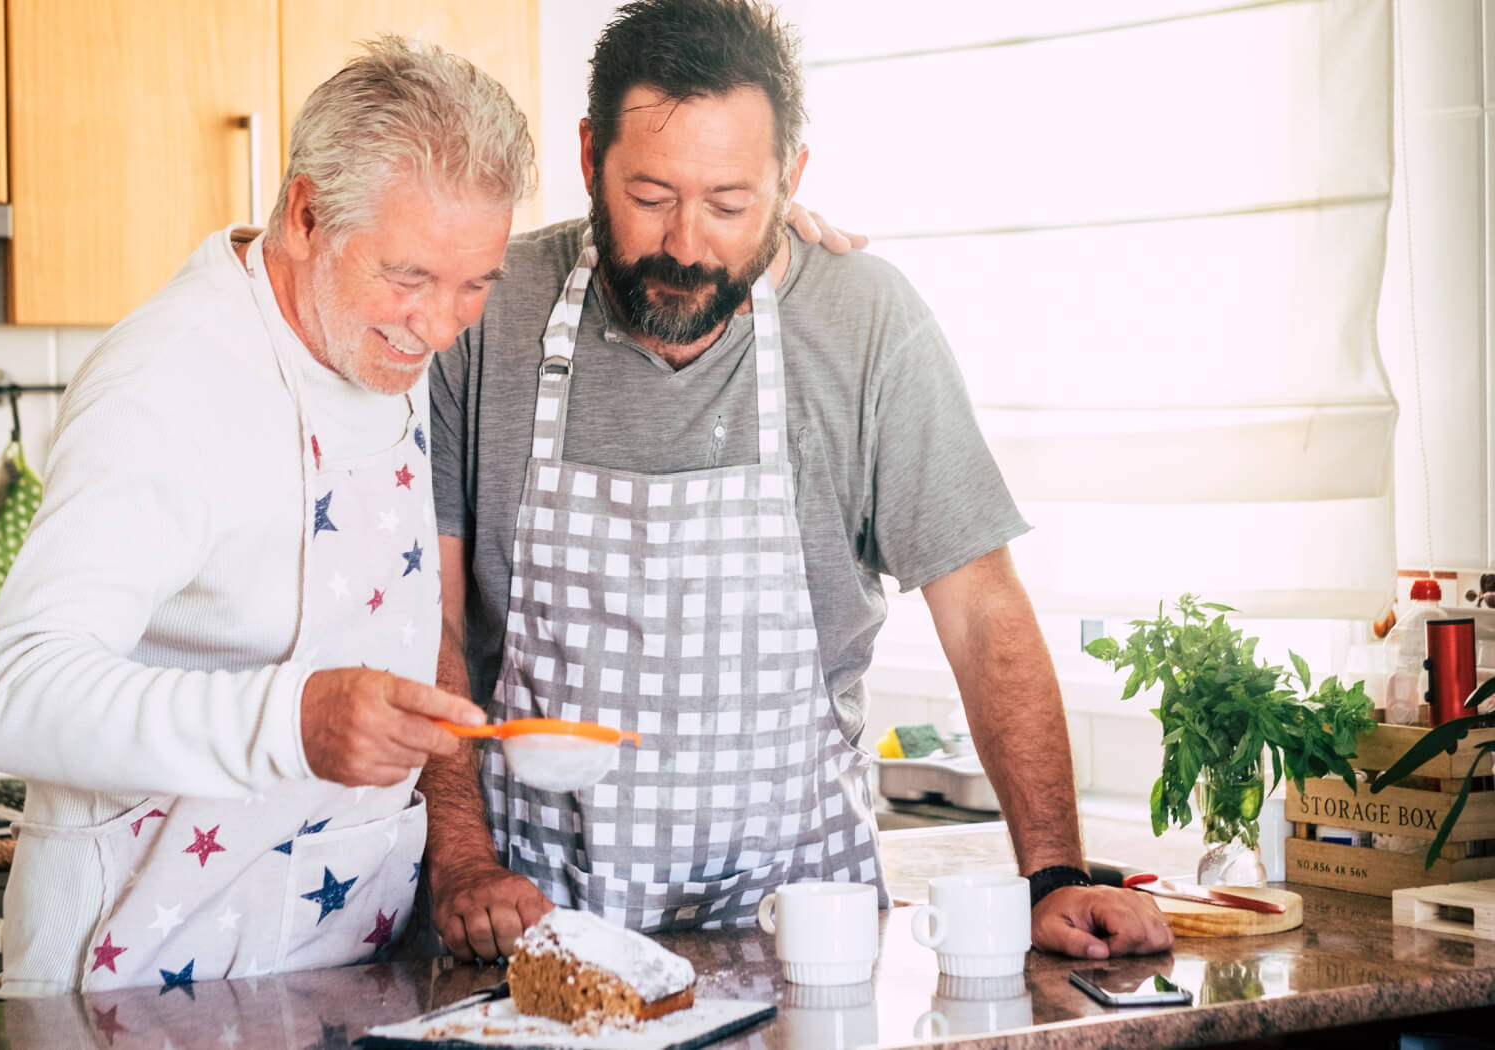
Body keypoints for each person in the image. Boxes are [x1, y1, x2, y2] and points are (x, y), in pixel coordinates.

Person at [423, 0, 1174, 964]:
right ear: (587, 158)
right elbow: (426, 619)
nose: (688, 243)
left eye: (731, 204)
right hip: (536, 930)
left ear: (792, 179)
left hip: (802, 939)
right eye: (650, 195)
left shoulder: (866, 323)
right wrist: (461, 858)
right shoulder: (488, 308)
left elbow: (981, 607)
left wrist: (1056, 873)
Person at [0, 35, 517, 996]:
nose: (439, 327)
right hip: (129, 987)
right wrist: (289, 719)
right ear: (305, 214)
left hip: (336, 980)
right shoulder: (165, 382)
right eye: (412, 279)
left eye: (474, 286)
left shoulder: (381, 339)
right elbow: (11, 696)